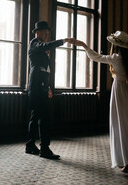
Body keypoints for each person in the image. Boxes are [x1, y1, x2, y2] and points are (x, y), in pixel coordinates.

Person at [74, 31, 128, 172]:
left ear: (116, 46)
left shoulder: (115, 58)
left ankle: (127, 161)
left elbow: (96, 57)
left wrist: (84, 46)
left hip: (119, 94)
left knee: (121, 126)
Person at [25, 21, 74, 159]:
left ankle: (30, 146)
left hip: (40, 87)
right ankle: (44, 149)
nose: (47, 34)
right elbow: (45, 46)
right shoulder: (35, 43)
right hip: (36, 87)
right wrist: (63, 41)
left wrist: (48, 87)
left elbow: (44, 70)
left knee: (36, 118)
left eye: (48, 31)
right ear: (37, 32)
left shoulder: (39, 47)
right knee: (44, 119)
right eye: (44, 31)